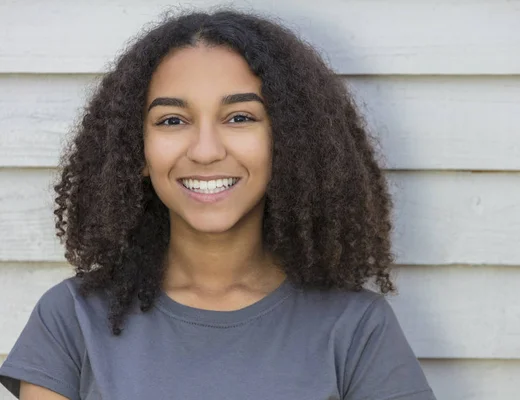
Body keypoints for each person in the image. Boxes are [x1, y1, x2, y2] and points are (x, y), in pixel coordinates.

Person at [0, 9, 436, 400]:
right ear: (136, 152)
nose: (206, 150)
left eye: (240, 117)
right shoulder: (72, 318)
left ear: (288, 142)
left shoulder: (357, 329)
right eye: (172, 120)